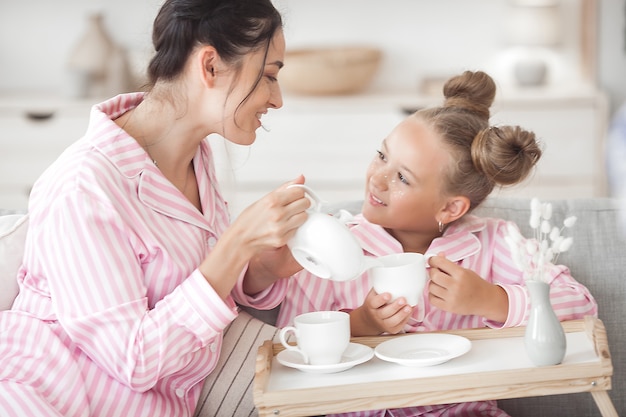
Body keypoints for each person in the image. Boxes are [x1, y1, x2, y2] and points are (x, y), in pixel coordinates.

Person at [0, 1, 310, 416]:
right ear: (211, 67)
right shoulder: (84, 185)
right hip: (51, 400)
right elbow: (134, 358)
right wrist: (236, 243)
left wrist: (263, 266)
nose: (277, 99)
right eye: (269, 75)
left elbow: (194, 288)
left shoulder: (194, 159)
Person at [257, 70, 598, 417]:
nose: (377, 178)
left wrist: (491, 300)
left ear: (451, 207)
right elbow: (290, 345)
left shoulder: (492, 242)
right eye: (382, 155)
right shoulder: (332, 244)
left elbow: (582, 306)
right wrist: (362, 324)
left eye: (403, 177)